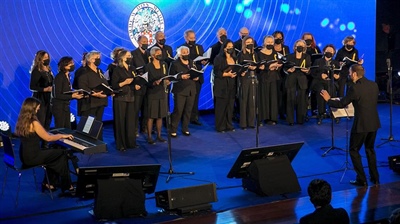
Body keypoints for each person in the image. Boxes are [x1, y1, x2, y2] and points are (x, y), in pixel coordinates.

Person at [321, 64, 380, 186]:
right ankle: (375, 178)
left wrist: (328, 100)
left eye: (349, 73)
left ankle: (362, 179)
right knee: (370, 150)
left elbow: (342, 103)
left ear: (354, 74)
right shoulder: (374, 85)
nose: (348, 75)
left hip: (361, 125)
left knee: (353, 150)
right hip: (374, 123)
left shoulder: (354, 88)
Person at [15, 97, 75, 196]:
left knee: (54, 155)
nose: (38, 109)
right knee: (62, 154)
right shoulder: (34, 122)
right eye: (37, 108)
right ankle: (67, 186)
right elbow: (48, 138)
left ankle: (49, 183)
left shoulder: (22, 120)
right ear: (32, 108)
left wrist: (51, 135)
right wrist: (62, 136)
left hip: (24, 156)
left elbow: (42, 134)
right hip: (33, 157)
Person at [77, 51, 109, 140]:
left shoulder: (100, 71)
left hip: (100, 101)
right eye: (97, 58)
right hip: (90, 103)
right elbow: (82, 86)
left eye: (99, 58)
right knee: (88, 123)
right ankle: (86, 142)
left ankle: (98, 141)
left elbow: (104, 83)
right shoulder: (83, 72)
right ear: (90, 60)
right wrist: (94, 93)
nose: (99, 60)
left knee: (98, 122)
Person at [111, 50, 139, 151]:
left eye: (130, 55)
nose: (130, 57)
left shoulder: (132, 68)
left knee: (130, 121)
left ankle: (130, 142)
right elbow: (114, 85)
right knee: (120, 121)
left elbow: (135, 80)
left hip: (131, 96)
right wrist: (124, 82)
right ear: (122, 58)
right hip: (120, 97)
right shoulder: (117, 69)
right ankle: (121, 144)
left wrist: (136, 84)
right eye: (128, 56)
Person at [168, 46, 197, 137]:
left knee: (188, 110)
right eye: (183, 52)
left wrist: (196, 76)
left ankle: (185, 128)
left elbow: (195, 71)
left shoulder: (192, 62)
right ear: (180, 54)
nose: (186, 54)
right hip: (180, 90)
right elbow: (171, 77)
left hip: (191, 89)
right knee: (178, 110)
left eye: (187, 52)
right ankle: (173, 129)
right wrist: (181, 77)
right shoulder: (174, 64)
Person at [181, 29, 206, 126]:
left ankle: (194, 117)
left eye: (194, 38)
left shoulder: (199, 47)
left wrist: (204, 61)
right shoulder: (182, 48)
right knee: (186, 99)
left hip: (198, 77)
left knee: (195, 99)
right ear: (186, 38)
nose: (193, 40)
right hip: (187, 77)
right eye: (191, 38)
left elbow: (203, 59)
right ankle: (184, 118)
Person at [145, 46, 170, 144]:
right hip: (152, 93)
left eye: (160, 53)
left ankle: (159, 135)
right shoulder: (148, 66)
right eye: (158, 53)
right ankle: (149, 136)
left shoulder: (164, 64)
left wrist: (167, 81)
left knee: (160, 115)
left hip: (162, 92)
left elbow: (166, 76)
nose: (160, 55)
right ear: (153, 55)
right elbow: (146, 81)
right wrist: (154, 83)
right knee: (151, 116)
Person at [29, 50, 54, 147]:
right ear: (40, 59)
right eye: (44, 58)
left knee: (48, 120)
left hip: (49, 99)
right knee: (41, 120)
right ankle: (36, 143)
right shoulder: (36, 71)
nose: (47, 59)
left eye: (47, 58)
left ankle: (45, 142)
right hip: (40, 99)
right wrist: (45, 89)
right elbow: (32, 86)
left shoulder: (49, 70)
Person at [311, 44, 340, 125]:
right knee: (321, 91)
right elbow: (312, 72)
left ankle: (334, 114)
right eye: (328, 51)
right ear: (324, 51)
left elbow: (339, 74)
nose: (329, 52)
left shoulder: (336, 63)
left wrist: (337, 76)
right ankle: (321, 113)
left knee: (332, 90)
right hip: (319, 82)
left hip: (331, 82)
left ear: (334, 53)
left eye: (331, 51)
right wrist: (320, 75)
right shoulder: (318, 61)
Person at [51, 56, 83, 129]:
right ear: (65, 65)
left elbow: (66, 91)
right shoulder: (59, 77)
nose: (73, 65)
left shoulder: (67, 76)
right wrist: (72, 96)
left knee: (67, 128)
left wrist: (75, 93)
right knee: (60, 128)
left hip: (65, 106)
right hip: (59, 107)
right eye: (71, 63)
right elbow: (57, 95)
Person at [285, 39, 311, 125]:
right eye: (298, 45)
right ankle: (290, 120)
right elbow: (285, 69)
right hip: (291, 79)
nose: (300, 47)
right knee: (290, 100)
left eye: (302, 46)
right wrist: (289, 70)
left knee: (301, 100)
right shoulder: (289, 56)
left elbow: (309, 69)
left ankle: (300, 119)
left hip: (302, 80)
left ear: (304, 47)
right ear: (295, 47)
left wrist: (306, 71)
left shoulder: (307, 56)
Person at [213, 40, 237, 132]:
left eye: (232, 46)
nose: (230, 48)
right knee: (221, 107)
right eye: (229, 46)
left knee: (230, 107)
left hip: (231, 85)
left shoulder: (234, 58)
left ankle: (229, 125)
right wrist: (227, 74)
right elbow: (216, 72)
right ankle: (220, 126)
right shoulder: (218, 58)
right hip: (221, 86)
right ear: (224, 48)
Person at [257, 35, 282, 125]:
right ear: (264, 43)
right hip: (264, 78)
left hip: (274, 77)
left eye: (272, 42)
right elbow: (259, 66)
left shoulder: (275, 53)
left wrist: (277, 67)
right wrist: (269, 67)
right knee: (264, 98)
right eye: (268, 42)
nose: (270, 44)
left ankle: (273, 117)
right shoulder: (259, 54)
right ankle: (263, 117)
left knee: (273, 98)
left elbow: (280, 63)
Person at [131, 35, 150, 136]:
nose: (146, 43)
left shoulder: (149, 54)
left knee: (146, 109)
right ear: (139, 43)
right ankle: (134, 129)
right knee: (136, 109)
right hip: (138, 85)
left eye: (147, 41)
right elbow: (131, 69)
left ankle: (144, 127)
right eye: (144, 41)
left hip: (148, 85)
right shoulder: (133, 54)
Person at [237, 36, 258, 129]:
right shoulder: (241, 54)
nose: (250, 44)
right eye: (248, 42)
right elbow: (238, 67)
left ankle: (251, 122)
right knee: (244, 100)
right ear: (244, 43)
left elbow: (258, 64)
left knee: (252, 101)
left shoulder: (255, 54)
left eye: (251, 42)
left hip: (253, 78)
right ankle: (243, 123)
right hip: (244, 79)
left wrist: (256, 67)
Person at [272, 31, 290, 120]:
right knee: (274, 93)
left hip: (283, 74)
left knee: (283, 93)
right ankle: (274, 112)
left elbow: (288, 60)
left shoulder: (285, 48)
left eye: (280, 37)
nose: (278, 39)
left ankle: (283, 112)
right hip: (273, 73)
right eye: (276, 37)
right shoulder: (270, 48)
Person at [72, 52, 88, 116]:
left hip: (94, 100)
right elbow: (75, 85)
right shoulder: (80, 71)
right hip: (84, 100)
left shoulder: (97, 70)